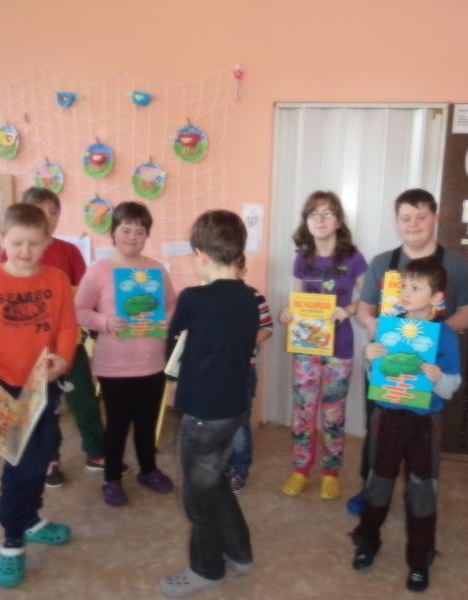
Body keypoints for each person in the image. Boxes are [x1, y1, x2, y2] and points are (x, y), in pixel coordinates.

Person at [0, 203, 78, 588]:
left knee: (41, 455)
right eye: (17, 242)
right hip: (1, 385)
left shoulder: (57, 279)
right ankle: (12, 538)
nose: (25, 251)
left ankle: (31, 518)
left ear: (48, 241)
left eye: (34, 243)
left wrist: (63, 359)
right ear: (1, 239)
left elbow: (67, 327)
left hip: (42, 383)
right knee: (19, 463)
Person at [348, 188, 468, 515]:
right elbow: (364, 309)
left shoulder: (457, 265)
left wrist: (434, 336)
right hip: (386, 364)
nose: (413, 224)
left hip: (430, 369)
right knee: (379, 430)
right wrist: (374, 328)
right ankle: (372, 490)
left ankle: (418, 494)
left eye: (421, 217)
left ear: (436, 218)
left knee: (423, 438)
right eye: (406, 218)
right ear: (397, 222)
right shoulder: (382, 263)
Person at [160, 210, 259, 597]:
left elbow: (172, 350)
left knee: (197, 497)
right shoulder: (250, 299)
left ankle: (207, 569)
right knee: (215, 481)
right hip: (233, 410)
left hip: (202, 414)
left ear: (200, 254)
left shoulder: (193, 298)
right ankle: (239, 551)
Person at [351, 257, 461, 593]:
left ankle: (420, 559)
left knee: (421, 489)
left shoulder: (444, 335)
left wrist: (438, 378)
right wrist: (370, 358)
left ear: (436, 296)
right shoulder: (388, 326)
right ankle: (367, 541)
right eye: (404, 286)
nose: (406, 293)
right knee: (378, 482)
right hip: (387, 416)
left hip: (424, 422)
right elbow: (376, 374)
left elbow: (451, 386)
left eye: (416, 287)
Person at [0, 186, 108, 488]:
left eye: (54, 211)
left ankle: (96, 451)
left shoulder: (69, 251)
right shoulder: (11, 253)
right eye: (39, 211)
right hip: (30, 349)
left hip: (69, 342)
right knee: (44, 406)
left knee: (84, 399)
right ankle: (50, 459)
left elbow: (84, 294)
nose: (47, 217)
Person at [75, 201, 176, 507]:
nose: (133, 236)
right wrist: (105, 322)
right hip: (115, 367)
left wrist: (167, 319)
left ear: (147, 235)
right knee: (117, 427)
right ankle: (112, 479)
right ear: (113, 232)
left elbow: (172, 304)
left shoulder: (156, 269)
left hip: (152, 364)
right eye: (126, 229)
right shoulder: (100, 270)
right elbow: (79, 310)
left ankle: (148, 469)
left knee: (147, 424)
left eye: (140, 231)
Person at [279, 191, 368, 500]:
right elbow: (296, 302)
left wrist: (349, 310)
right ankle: (301, 469)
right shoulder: (302, 259)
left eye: (327, 213)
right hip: (307, 346)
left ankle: (331, 472)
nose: (319, 219)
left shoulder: (353, 257)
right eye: (313, 214)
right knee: (303, 412)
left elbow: (370, 300)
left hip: (340, 347)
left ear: (338, 221)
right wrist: (287, 314)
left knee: (333, 414)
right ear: (306, 221)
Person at [225, 254, 274, 493]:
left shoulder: (254, 296)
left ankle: (239, 468)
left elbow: (267, 327)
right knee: (219, 419)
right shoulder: (209, 296)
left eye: (234, 268)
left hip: (244, 370)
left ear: (243, 271)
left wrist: (245, 343)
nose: (228, 273)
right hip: (216, 371)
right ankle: (224, 464)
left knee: (239, 420)